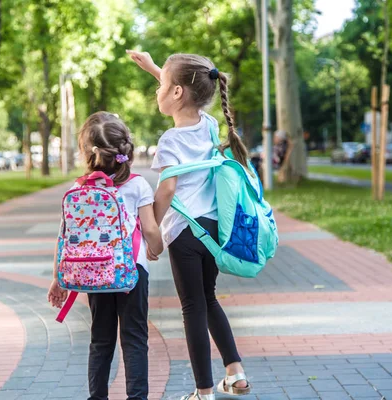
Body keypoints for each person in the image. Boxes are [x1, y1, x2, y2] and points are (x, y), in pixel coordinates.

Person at [127, 50, 251, 400]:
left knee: (192, 307)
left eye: (163, 85)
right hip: (212, 230)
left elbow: (167, 189)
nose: (159, 90)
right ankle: (235, 371)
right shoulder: (209, 126)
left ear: (177, 91)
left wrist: (152, 232)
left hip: (183, 233)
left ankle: (204, 392)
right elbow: (188, 98)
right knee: (208, 299)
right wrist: (156, 70)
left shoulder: (170, 141)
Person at [47, 111, 163, 400]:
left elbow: (64, 238)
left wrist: (58, 279)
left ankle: (96, 397)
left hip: (94, 274)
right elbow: (150, 229)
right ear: (124, 148)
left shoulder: (78, 189)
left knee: (101, 339)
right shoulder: (137, 185)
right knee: (134, 339)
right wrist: (156, 249)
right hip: (130, 273)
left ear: (87, 153)